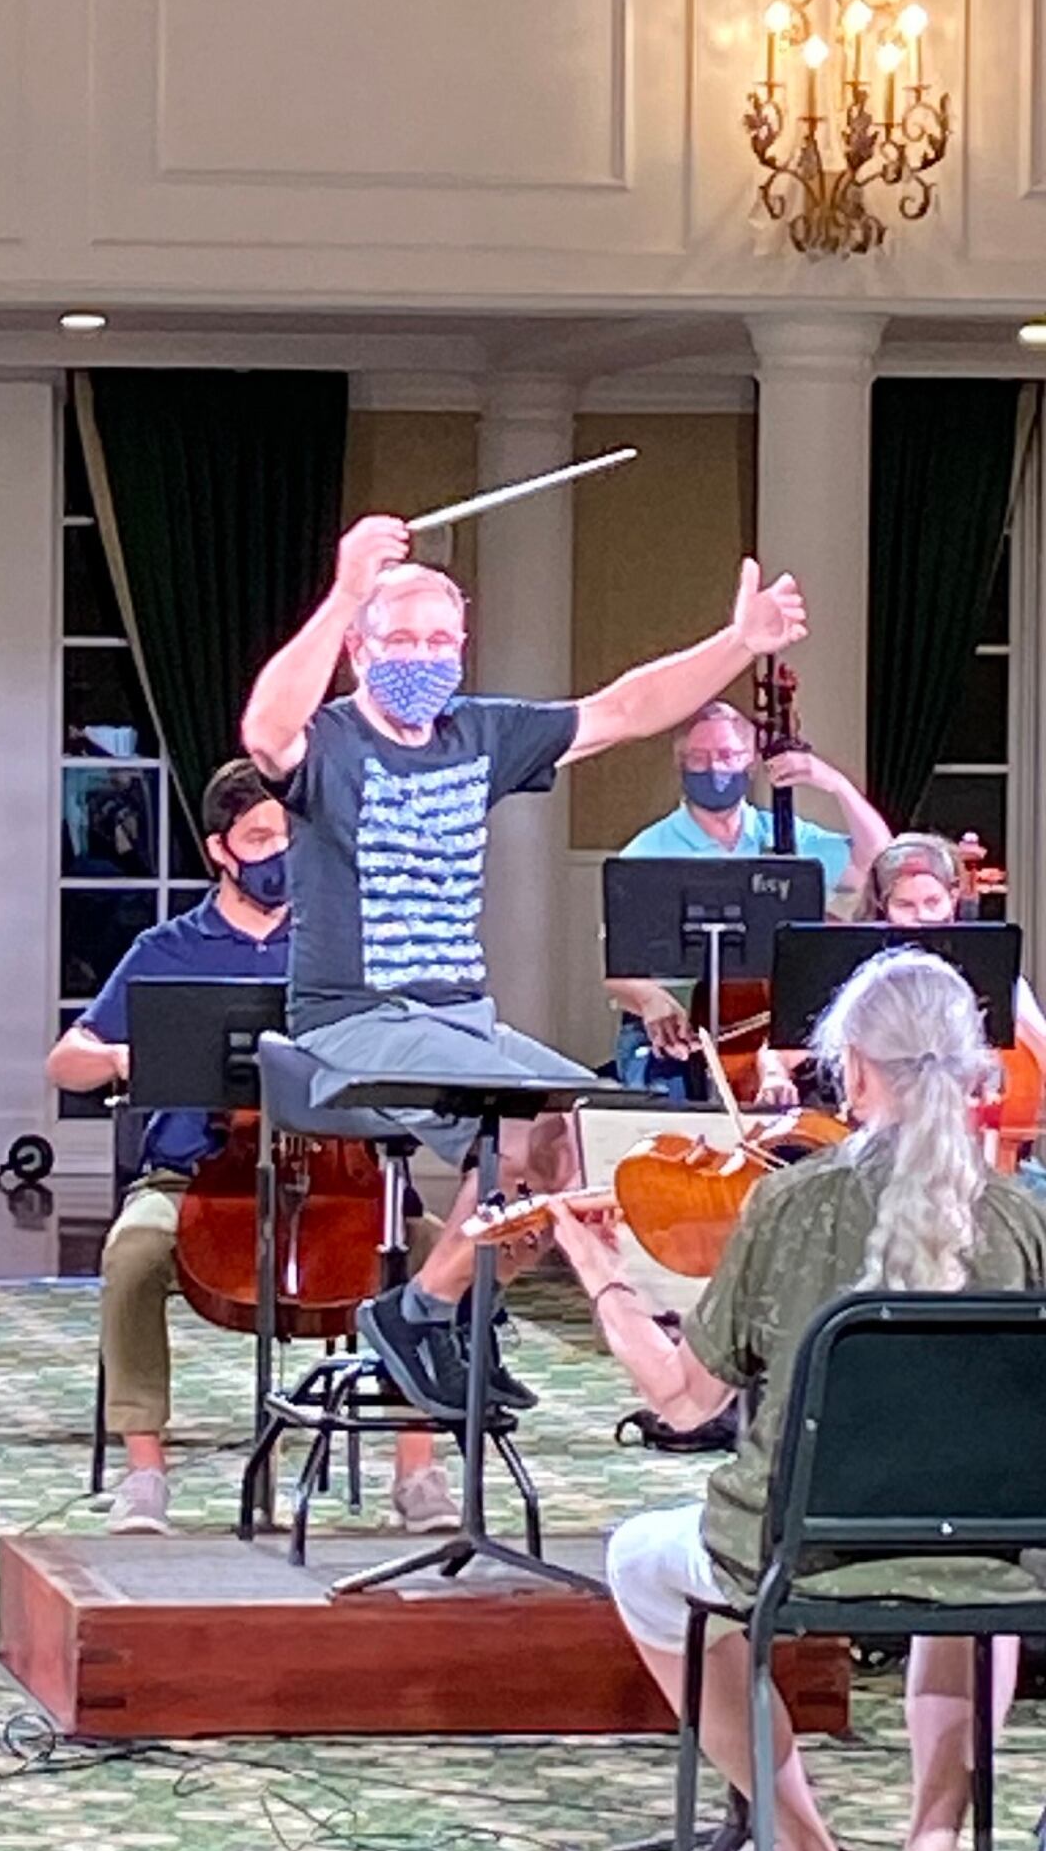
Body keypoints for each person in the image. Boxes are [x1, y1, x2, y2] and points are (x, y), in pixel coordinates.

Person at [241, 516, 808, 1419]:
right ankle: (422, 1315)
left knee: (569, 1138)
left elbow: (624, 708)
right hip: (356, 1015)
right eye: (401, 640)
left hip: (463, 1014)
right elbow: (265, 730)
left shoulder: (482, 733)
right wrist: (348, 584)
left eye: (440, 641)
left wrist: (738, 641)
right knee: (514, 1130)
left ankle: (448, 1309)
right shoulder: (334, 740)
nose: (423, 657)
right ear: (359, 650)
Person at [550, 947, 1046, 1851]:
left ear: (853, 1071)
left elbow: (683, 1402)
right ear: (973, 1068)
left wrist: (600, 1273)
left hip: (796, 1553)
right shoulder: (1025, 1218)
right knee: (965, 1584)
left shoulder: (788, 1203)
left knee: (640, 1564)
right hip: (989, 1546)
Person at [46, 758, 454, 1535]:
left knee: (438, 1253)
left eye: (292, 836)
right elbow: (66, 1059)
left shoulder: (345, 942)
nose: (280, 853)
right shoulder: (168, 948)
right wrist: (134, 1056)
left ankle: (418, 1468)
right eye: (260, 836)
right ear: (220, 850)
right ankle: (144, 1474)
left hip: (342, 1177)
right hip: (196, 1177)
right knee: (133, 1252)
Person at [606, 701, 891, 1097]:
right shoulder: (646, 851)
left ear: (751, 761)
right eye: (699, 758)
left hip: (771, 1028)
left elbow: (881, 862)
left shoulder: (782, 835)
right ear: (680, 764)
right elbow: (618, 966)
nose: (714, 769)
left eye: (727, 756)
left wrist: (835, 784)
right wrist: (649, 997)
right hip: (674, 1029)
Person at [750, 830, 1046, 1110]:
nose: (922, 918)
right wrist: (775, 1076)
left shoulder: (992, 972)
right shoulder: (858, 976)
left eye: (933, 902)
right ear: (883, 905)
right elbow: (780, 1051)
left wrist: (1011, 1016)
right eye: (906, 905)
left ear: (953, 897)